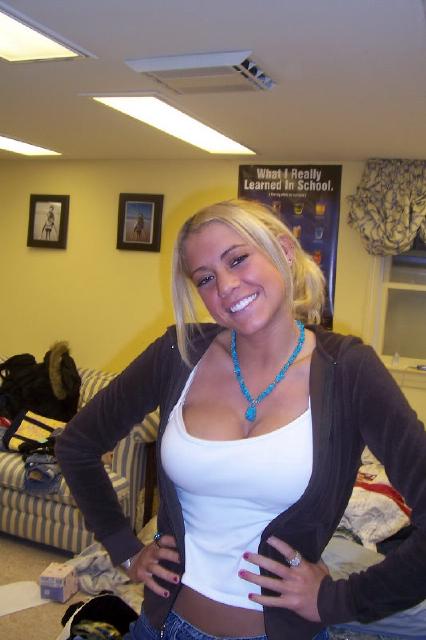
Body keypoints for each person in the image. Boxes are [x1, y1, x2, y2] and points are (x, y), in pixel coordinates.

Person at [56, 199, 426, 640]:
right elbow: (77, 445)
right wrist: (127, 550)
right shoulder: (178, 353)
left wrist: (340, 599)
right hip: (163, 628)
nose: (227, 286)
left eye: (238, 259)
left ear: (284, 252)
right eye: (205, 278)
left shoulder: (349, 371)